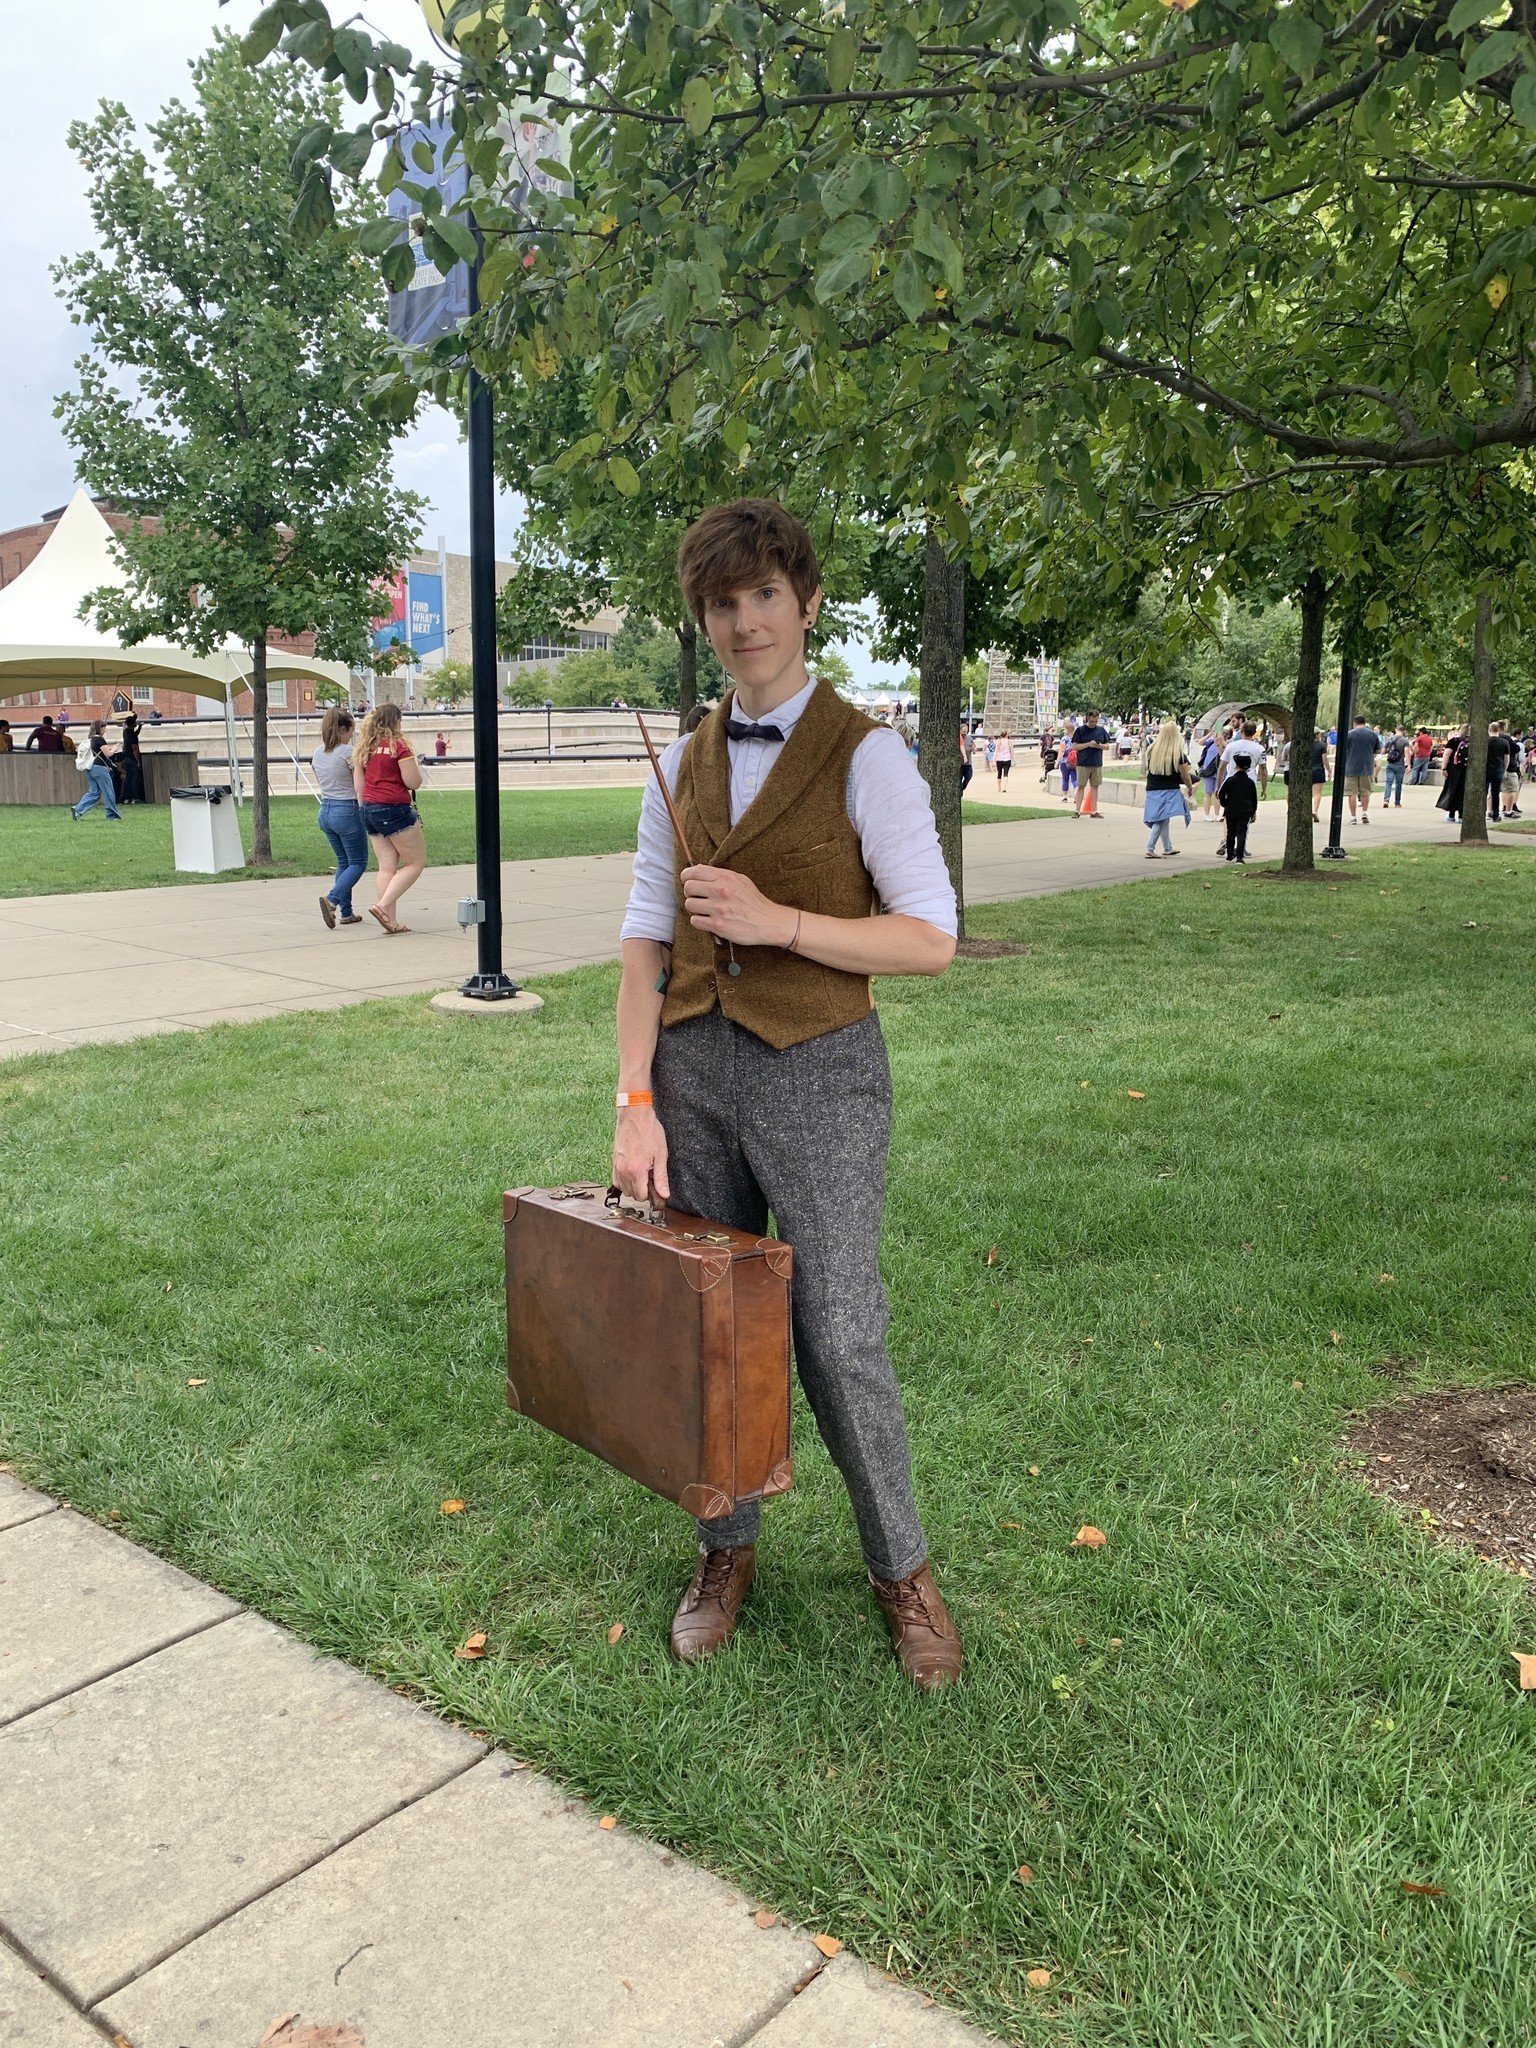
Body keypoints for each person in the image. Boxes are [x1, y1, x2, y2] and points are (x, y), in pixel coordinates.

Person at [614, 497, 963, 1690]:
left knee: (837, 1328)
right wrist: (634, 1098)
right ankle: (725, 1548)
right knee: (710, 1321)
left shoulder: (869, 756)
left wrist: (780, 922)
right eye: (722, 602)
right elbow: (643, 939)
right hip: (690, 1072)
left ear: (807, 603)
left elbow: (929, 939)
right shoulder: (680, 762)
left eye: (765, 593)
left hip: (821, 1069)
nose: (744, 620)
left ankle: (902, 1570)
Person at [352, 702, 425, 933]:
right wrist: (417, 767)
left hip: (368, 809)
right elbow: (413, 782)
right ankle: (382, 906)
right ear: (396, 721)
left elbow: (358, 786)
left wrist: (366, 806)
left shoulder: (364, 747)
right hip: (394, 809)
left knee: (386, 868)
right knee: (415, 863)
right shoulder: (398, 746)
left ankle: (390, 922)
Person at [312, 707, 368, 928]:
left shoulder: (317, 753)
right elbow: (358, 784)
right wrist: (364, 809)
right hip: (347, 809)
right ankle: (332, 900)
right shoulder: (348, 753)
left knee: (343, 862)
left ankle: (347, 912)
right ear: (343, 729)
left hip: (325, 809)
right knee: (358, 862)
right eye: (351, 731)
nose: (351, 736)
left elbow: (320, 781)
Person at [1142, 718, 1192, 859]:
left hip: (1152, 789)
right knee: (1160, 819)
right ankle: (1150, 848)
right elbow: (1185, 774)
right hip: (1169, 790)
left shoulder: (1152, 750)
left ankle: (1167, 847)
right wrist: (1190, 787)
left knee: (1164, 818)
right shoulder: (1178, 754)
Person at [70, 720, 122, 822]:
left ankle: (78, 809)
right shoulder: (100, 739)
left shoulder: (90, 740)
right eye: (104, 727)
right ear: (100, 728)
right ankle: (112, 815)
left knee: (94, 792)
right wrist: (114, 749)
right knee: (108, 792)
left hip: (90, 768)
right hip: (100, 768)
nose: (105, 730)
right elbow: (108, 754)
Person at [1070, 709, 1111, 817]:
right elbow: (1075, 746)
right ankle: (1077, 810)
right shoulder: (1080, 730)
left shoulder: (1101, 730)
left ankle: (1094, 811)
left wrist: (1098, 746)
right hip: (1083, 762)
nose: (1093, 723)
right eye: (1092, 721)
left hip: (1096, 762)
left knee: (1095, 786)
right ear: (1088, 718)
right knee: (1081, 786)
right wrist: (1088, 744)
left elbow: (1107, 746)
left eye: (1096, 721)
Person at [1218, 755, 1258, 862]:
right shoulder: (1250, 782)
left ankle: (1230, 854)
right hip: (1245, 811)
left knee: (1230, 833)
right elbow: (1254, 799)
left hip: (1231, 810)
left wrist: (1225, 804)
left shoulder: (1230, 780)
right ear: (1248, 768)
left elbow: (1221, 794)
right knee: (1242, 833)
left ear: (1236, 766)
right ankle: (1240, 856)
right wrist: (1253, 812)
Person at [1341, 714, 1380, 824]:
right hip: (1367, 766)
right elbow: (1377, 751)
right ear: (1364, 722)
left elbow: (1344, 750)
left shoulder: (1349, 734)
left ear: (1355, 723)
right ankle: (1364, 813)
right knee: (1365, 791)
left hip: (1351, 766)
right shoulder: (1372, 735)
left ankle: (1353, 817)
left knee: (1351, 793)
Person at [1436, 728, 1468, 823]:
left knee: (1452, 789)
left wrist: (1444, 768)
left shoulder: (1453, 741)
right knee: (1463, 792)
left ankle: (1451, 814)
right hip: (1466, 770)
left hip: (1454, 769)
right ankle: (1462, 815)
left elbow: (1446, 755)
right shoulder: (1474, 742)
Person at [118, 710, 147, 805]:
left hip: (126, 758)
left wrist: (140, 727)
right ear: (133, 723)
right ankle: (135, 797)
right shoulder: (132, 734)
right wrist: (138, 761)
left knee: (128, 779)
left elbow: (134, 734)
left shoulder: (126, 732)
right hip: (132, 759)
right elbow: (135, 748)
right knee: (135, 779)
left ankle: (127, 798)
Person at [1485, 720, 1511, 825]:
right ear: (1499, 730)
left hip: (1485, 769)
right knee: (1495, 793)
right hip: (1498, 769)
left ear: (1489, 729)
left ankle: (1483, 813)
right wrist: (1504, 769)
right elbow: (1507, 759)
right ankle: (1495, 814)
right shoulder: (1504, 742)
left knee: (1484, 792)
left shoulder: (1485, 741)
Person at [1380, 725, 1408, 808]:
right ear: (1403, 731)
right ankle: (1397, 802)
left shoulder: (1389, 739)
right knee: (1398, 784)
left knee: (1388, 782)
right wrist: (1408, 764)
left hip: (1390, 763)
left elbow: (1383, 751)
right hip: (1400, 764)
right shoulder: (1405, 741)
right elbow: (1406, 753)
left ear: (1396, 730)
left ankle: (1386, 800)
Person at [1196, 730, 1221, 818]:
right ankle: (1207, 815)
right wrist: (1210, 734)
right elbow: (1200, 742)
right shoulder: (1210, 741)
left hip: (1220, 770)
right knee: (1208, 792)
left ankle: (1217, 814)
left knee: (1217, 793)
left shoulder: (1226, 743)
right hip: (1208, 770)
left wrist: (1221, 742)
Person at [958, 722, 973, 798]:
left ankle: (961, 790)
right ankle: (959, 793)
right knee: (959, 779)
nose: (965, 733)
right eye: (963, 731)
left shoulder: (970, 738)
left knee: (968, 777)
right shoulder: (958, 738)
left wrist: (973, 749)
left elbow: (974, 748)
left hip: (968, 763)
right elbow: (961, 746)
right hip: (959, 763)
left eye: (966, 731)